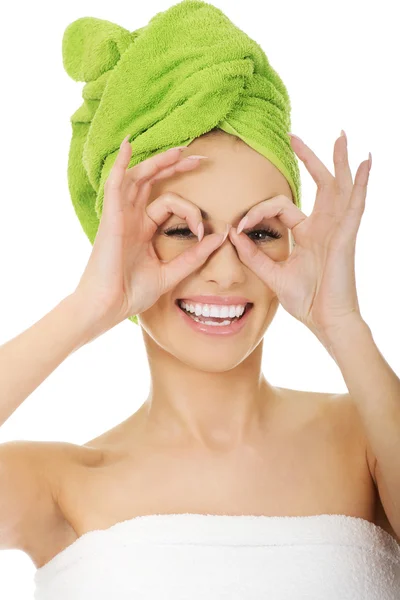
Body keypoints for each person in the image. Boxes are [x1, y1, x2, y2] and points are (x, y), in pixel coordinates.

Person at [2, 0, 400, 596]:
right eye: (181, 230)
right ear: (119, 241)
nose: (225, 271)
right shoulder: (61, 484)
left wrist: (342, 323)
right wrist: (89, 305)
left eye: (259, 231)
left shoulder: (368, 435)